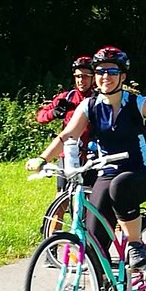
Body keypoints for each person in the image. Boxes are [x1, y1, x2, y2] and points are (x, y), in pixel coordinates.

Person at [26, 45, 146, 270]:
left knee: (119, 187)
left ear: (122, 77)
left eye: (112, 72)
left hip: (140, 172)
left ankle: (136, 245)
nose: (105, 76)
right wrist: (43, 158)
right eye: (100, 71)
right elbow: (68, 134)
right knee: (94, 238)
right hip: (106, 173)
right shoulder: (90, 105)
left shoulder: (135, 102)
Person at [36, 56, 96, 192]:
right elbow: (40, 117)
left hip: (91, 155)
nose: (81, 80)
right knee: (61, 197)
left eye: (86, 76)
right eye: (78, 76)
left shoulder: (98, 99)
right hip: (68, 153)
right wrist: (54, 113)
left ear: (93, 78)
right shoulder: (67, 97)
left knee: (89, 197)